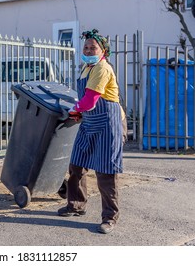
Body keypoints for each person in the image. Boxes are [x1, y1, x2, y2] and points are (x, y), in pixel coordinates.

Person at [57, 29, 124, 234]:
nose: (88, 49)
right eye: (86, 47)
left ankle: (110, 217)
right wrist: (79, 114)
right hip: (90, 121)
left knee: (105, 172)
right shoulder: (87, 68)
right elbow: (85, 102)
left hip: (108, 125)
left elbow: (90, 99)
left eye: (93, 47)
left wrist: (75, 110)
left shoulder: (102, 68)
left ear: (103, 50)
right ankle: (76, 205)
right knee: (76, 164)